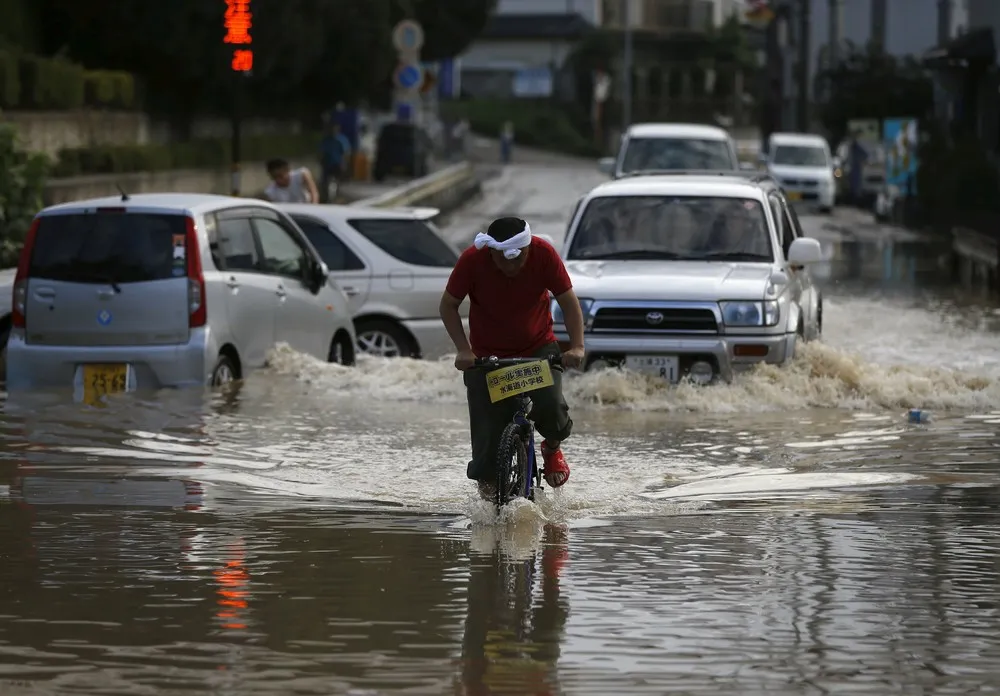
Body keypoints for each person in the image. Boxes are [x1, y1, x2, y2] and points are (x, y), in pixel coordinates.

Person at [439, 216, 585, 500]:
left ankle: (552, 449)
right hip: (486, 355)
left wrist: (577, 346)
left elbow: (568, 301)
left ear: (529, 249)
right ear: (490, 251)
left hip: (537, 347)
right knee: (486, 437)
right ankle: (489, 502)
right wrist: (463, 349)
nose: (511, 267)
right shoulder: (472, 260)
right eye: (503, 261)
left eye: (518, 260)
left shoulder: (544, 253)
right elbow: (448, 305)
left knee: (552, 406)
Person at [319, 122, 353, 202]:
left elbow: (346, 153)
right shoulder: (326, 140)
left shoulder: (341, 140)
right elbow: (321, 152)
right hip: (327, 163)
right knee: (325, 181)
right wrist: (321, 160)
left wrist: (345, 163)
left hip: (337, 163)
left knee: (337, 180)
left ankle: (336, 196)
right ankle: (326, 197)